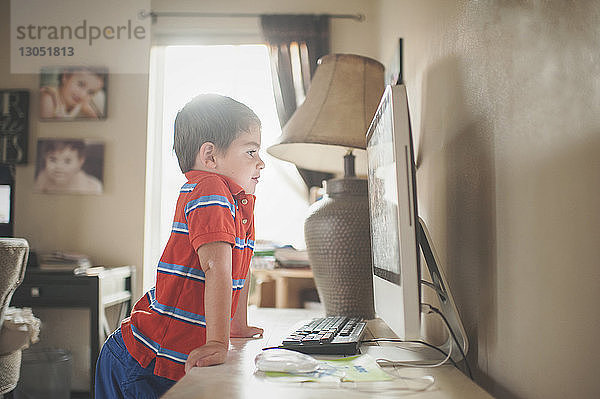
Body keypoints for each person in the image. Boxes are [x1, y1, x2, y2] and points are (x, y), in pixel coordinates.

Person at [95, 94, 266, 398]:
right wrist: (217, 342)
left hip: (168, 358)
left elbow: (241, 266)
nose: (261, 163)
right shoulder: (209, 189)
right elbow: (216, 268)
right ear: (210, 156)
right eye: (251, 151)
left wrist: (236, 326)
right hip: (143, 359)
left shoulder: (239, 203)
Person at [34, 139, 102, 194]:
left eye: (67, 161)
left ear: (80, 162)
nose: (59, 167)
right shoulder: (42, 178)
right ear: (45, 158)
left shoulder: (87, 187)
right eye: (53, 159)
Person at [39, 67, 105, 119]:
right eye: (81, 84)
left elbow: (95, 120)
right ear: (66, 76)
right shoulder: (49, 98)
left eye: (90, 92)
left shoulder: (82, 103)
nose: (83, 95)